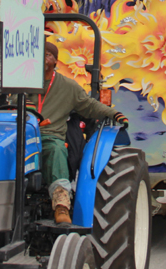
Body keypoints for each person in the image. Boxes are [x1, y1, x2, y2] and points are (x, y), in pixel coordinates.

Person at [34, 41, 127, 224]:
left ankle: (61, 204)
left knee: (56, 149)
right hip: (22, 134)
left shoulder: (67, 86)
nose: (43, 58)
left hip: (48, 135)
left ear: (56, 61)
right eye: (40, 54)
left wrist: (114, 113)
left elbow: (89, 105)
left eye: (48, 54)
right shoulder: (22, 82)